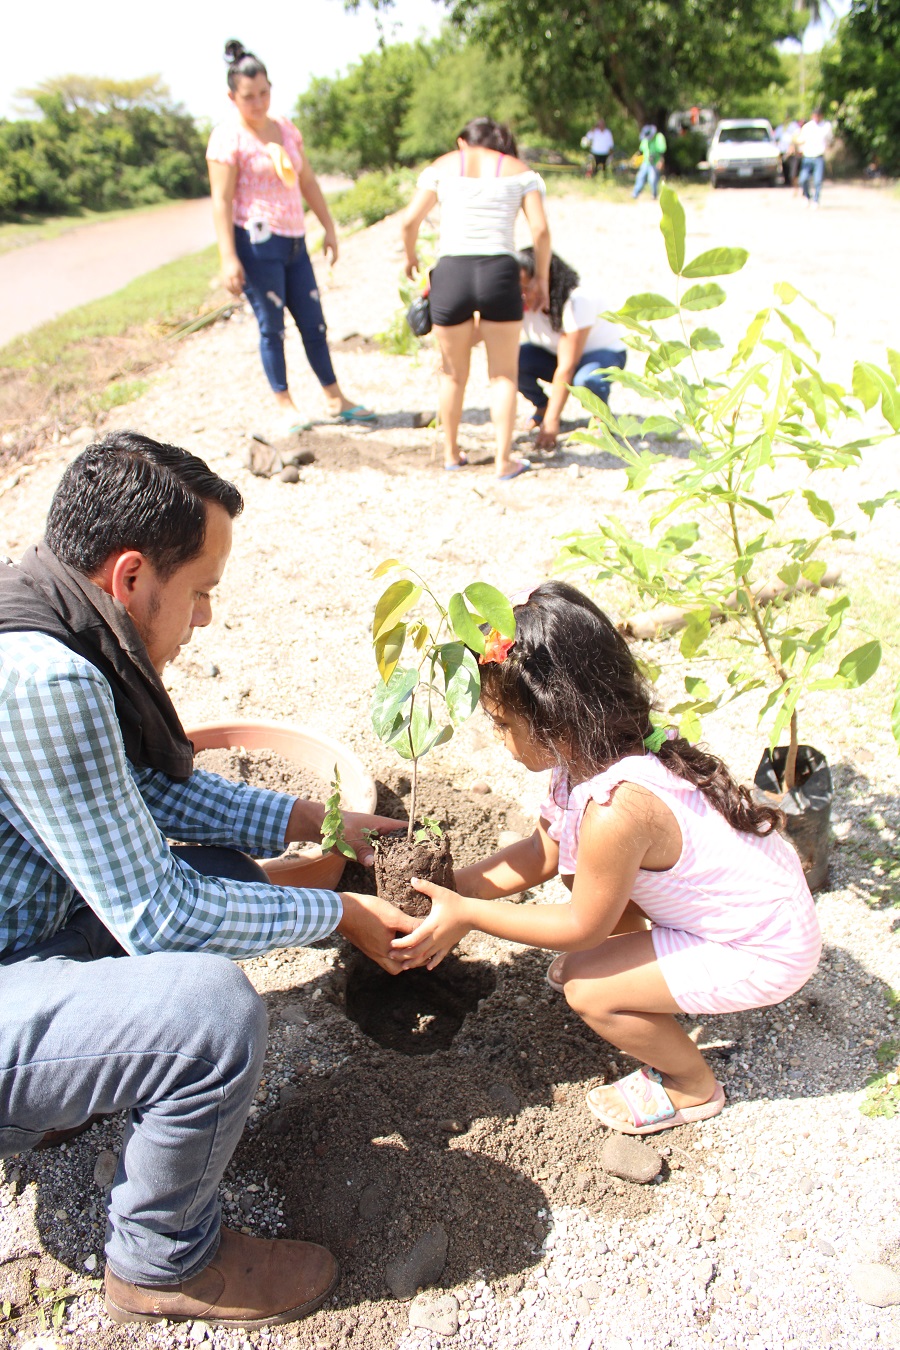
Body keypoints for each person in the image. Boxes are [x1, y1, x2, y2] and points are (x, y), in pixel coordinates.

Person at [0, 431, 416, 1329]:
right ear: (132, 576)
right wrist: (339, 911)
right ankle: (162, 1259)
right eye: (202, 593)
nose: (207, 619)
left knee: (227, 878)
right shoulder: (41, 678)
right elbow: (156, 915)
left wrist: (317, 824)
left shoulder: (46, 612)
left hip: (25, 933)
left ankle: (72, 1090)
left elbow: (146, 791)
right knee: (213, 1012)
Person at [391, 582, 821, 1136]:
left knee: (588, 989)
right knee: (577, 872)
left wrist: (468, 916)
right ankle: (638, 976)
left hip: (764, 949)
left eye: (502, 725)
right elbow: (542, 852)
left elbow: (581, 925)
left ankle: (691, 1084)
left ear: (549, 720)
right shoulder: (593, 751)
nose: (499, 738)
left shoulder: (617, 807)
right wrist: (457, 888)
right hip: (744, 916)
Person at [207, 40, 375, 436]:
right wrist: (228, 257)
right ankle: (285, 403)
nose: (258, 102)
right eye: (248, 96)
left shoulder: (284, 128)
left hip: (296, 240)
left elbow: (308, 180)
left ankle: (335, 397)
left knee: (314, 322)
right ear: (232, 97)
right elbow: (221, 199)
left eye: (264, 92)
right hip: (256, 243)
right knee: (272, 326)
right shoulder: (228, 138)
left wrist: (329, 226)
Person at [401, 117, 551, 480]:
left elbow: (409, 221)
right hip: (501, 271)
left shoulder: (442, 166)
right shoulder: (521, 170)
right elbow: (541, 229)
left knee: (452, 374)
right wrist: (542, 278)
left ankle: (451, 453)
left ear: (462, 142)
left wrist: (411, 258)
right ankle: (504, 461)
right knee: (503, 375)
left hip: (452, 272)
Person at [516, 247, 626, 451]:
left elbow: (567, 366)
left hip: (601, 354)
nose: (522, 295)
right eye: (516, 289)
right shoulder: (521, 302)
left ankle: (602, 416)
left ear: (544, 278)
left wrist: (552, 422)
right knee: (513, 360)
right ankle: (542, 405)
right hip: (556, 355)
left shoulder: (578, 301)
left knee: (586, 379)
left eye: (526, 288)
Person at [797, 110, 831, 207]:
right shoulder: (807, 127)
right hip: (807, 156)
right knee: (803, 179)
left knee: (817, 180)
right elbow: (801, 139)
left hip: (818, 156)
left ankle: (816, 199)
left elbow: (829, 139)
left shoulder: (826, 126)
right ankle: (807, 196)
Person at [632, 124, 666, 200]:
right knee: (640, 177)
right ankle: (635, 194)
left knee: (652, 179)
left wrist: (661, 161)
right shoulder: (645, 139)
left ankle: (654, 195)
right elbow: (641, 150)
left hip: (655, 162)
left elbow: (662, 151)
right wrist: (635, 158)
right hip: (645, 161)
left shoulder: (659, 137)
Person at [774, 117, 801, 187]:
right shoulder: (780, 128)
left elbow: (796, 138)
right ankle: (787, 183)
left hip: (792, 153)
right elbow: (776, 139)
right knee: (785, 168)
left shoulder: (794, 127)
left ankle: (794, 185)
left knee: (793, 171)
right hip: (783, 151)